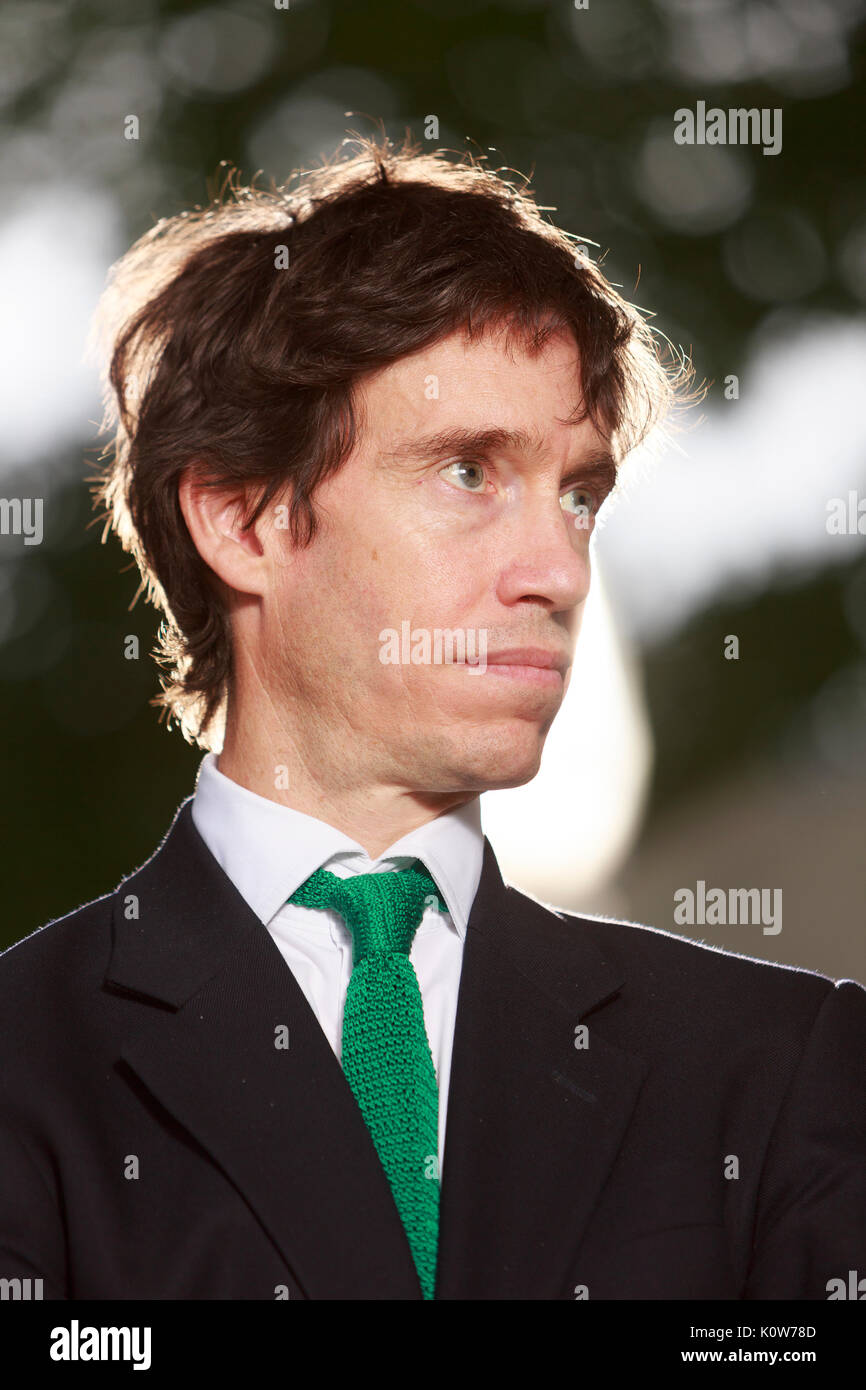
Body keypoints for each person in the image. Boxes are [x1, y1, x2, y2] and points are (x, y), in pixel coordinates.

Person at [1, 134, 863, 1302]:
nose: (556, 569)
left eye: (577, 493)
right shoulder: (24, 1067)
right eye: (467, 470)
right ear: (242, 519)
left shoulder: (782, 1069)